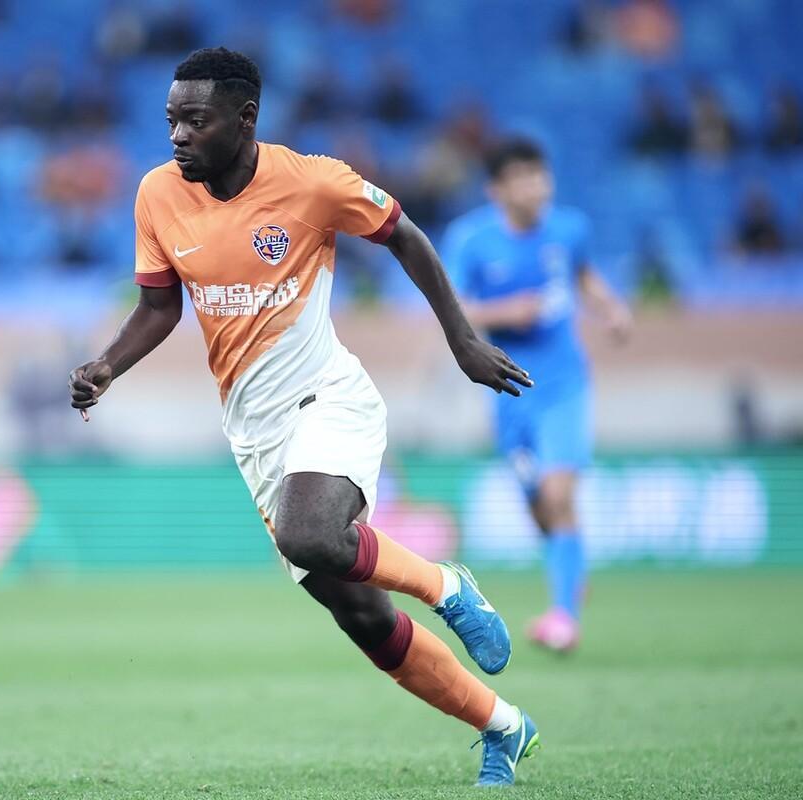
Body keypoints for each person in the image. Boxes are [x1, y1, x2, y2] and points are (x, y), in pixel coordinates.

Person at [69, 48, 539, 787]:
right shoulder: (158, 194)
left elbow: (405, 236)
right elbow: (159, 307)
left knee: (310, 533)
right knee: (362, 618)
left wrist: (463, 340)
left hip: (328, 396)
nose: (178, 136)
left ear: (245, 118)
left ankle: (446, 586)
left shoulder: (313, 182)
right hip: (254, 432)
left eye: (196, 121)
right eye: (171, 120)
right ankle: (503, 727)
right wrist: (106, 366)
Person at [443, 137, 632, 654]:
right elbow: (452, 307)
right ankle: (569, 566)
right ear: (497, 189)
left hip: (565, 384)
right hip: (508, 388)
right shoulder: (471, 240)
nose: (536, 187)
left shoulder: (569, 229)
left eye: (540, 175)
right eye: (522, 178)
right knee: (538, 504)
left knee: (558, 494)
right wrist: (507, 312)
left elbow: (584, 275)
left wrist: (611, 309)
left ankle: (564, 618)